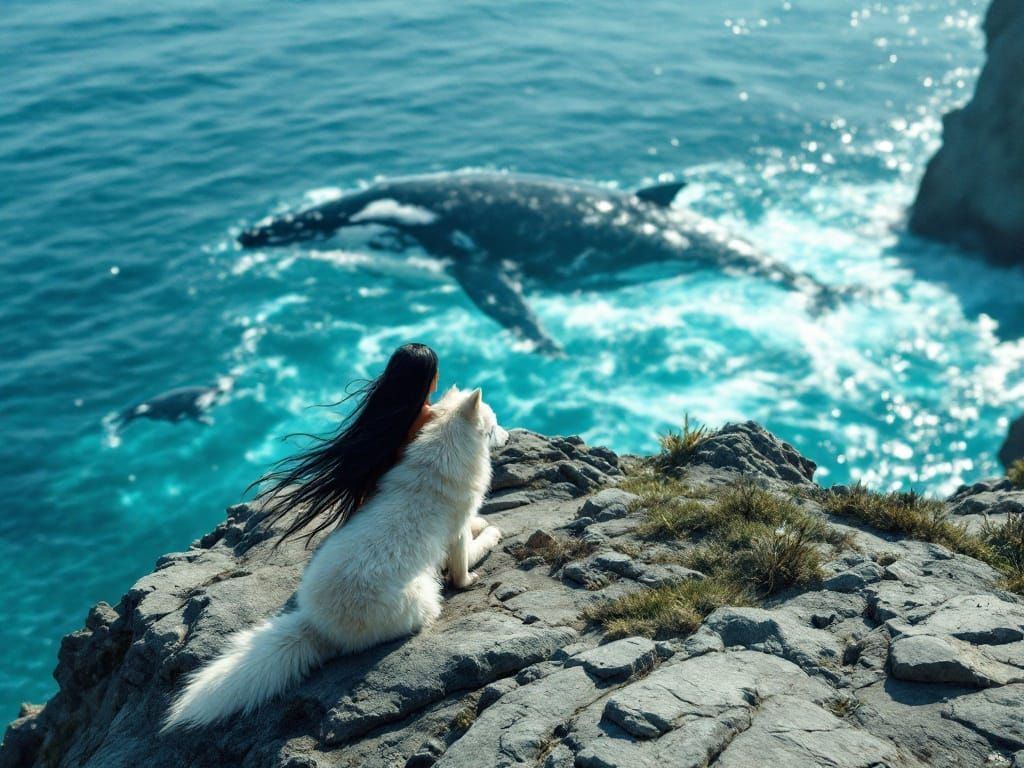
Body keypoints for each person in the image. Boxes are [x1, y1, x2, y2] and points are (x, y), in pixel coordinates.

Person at [252, 342, 439, 547]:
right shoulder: (426, 415)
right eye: (435, 371)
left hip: (368, 509)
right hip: (393, 515)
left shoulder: (383, 403)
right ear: (429, 379)